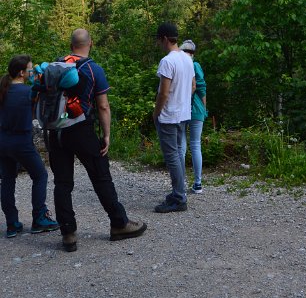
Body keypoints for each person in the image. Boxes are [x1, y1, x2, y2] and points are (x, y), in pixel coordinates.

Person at [47, 29, 146, 252]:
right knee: (101, 176)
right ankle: (119, 224)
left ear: (71, 45)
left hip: (56, 131)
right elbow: (103, 106)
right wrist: (106, 135)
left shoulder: (56, 65)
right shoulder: (93, 69)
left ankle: (68, 234)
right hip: (81, 129)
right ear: (90, 43)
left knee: (62, 183)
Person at [0, 54, 59, 238]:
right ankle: (39, 218)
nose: (32, 72)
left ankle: (12, 224)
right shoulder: (29, 92)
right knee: (40, 175)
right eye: (30, 70)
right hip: (22, 142)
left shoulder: (3, 90)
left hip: (3, 141)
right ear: (21, 72)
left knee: (8, 179)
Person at [153, 21, 195, 213]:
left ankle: (179, 197)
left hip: (169, 116)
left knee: (172, 157)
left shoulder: (167, 61)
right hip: (183, 114)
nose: (158, 44)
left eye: (158, 40)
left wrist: (156, 112)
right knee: (178, 154)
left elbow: (163, 92)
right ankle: (179, 192)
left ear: (164, 39)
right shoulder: (187, 59)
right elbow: (193, 86)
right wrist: (182, 100)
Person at [179, 40, 207, 194]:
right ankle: (197, 183)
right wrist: (204, 107)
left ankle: (180, 184)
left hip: (181, 109)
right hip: (196, 109)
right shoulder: (195, 65)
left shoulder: (179, 66)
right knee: (195, 144)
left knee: (181, 147)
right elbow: (201, 88)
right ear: (193, 53)